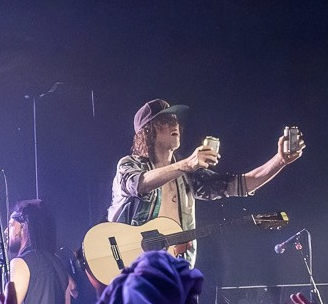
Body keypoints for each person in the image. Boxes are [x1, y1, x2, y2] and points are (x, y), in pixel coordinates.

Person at [106, 99, 302, 268]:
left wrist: (280, 160)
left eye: (175, 119)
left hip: (173, 270)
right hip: (132, 267)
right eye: (165, 120)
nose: (174, 124)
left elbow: (239, 185)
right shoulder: (129, 164)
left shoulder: (187, 176)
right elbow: (138, 184)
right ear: (148, 130)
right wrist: (188, 164)